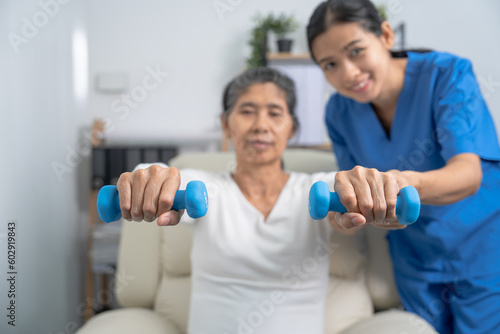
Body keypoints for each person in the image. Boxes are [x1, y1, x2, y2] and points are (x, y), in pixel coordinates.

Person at [115, 67, 381, 333]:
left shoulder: (315, 190)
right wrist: (149, 176)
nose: (261, 126)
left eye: (275, 113)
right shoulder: (207, 189)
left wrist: (360, 196)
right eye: (247, 112)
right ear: (225, 124)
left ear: (292, 128)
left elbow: (344, 200)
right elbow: (170, 179)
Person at [306, 1, 500, 333]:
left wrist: (403, 182)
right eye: (330, 64)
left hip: (481, 247)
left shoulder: (447, 75)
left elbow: (468, 174)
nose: (348, 73)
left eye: (356, 51)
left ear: (385, 34)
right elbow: (355, 195)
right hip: (413, 256)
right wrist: (345, 219)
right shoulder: (339, 112)